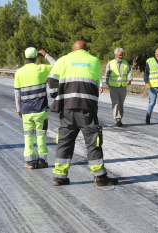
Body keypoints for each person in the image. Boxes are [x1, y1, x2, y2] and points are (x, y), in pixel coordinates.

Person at [47, 41, 118, 187]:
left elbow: (51, 78)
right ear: (88, 50)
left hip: (67, 108)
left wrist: (56, 95)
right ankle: (99, 176)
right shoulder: (94, 61)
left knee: (64, 142)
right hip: (87, 108)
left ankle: (60, 177)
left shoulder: (63, 60)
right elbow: (96, 81)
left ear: (72, 50)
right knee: (93, 142)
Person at [14, 47, 56, 169]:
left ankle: (30, 162)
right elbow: (58, 65)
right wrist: (46, 55)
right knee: (41, 135)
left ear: (25, 57)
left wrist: (19, 109)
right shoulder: (42, 68)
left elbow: (17, 94)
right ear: (36, 57)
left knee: (28, 135)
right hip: (41, 110)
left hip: (26, 110)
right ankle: (42, 160)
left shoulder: (19, 72)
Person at [105, 48, 133, 127]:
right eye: (119, 55)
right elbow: (106, 76)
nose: (121, 56)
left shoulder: (125, 62)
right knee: (116, 103)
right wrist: (109, 85)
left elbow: (130, 71)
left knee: (121, 103)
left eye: (122, 55)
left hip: (123, 87)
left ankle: (120, 118)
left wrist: (129, 79)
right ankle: (117, 119)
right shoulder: (110, 63)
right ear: (115, 55)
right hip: (113, 87)